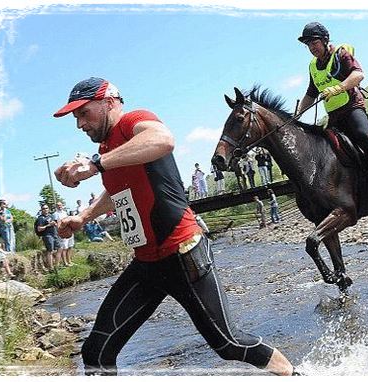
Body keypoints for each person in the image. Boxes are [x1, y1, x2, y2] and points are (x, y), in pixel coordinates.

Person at [52, 77, 296, 376]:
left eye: (83, 113)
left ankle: (293, 374)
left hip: (183, 252)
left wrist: (96, 164)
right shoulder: (107, 148)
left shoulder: (134, 121)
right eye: (75, 117)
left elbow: (162, 140)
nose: (79, 124)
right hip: (146, 263)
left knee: (227, 344)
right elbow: (119, 191)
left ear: (109, 102)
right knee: (96, 351)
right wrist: (84, 217)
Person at [296, 22, 368, 201]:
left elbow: (358, 74)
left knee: (361, 135)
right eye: (308, 44)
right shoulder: (313, 67)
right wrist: (297, 115)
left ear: (325, 40)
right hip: (334, 116)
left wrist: (338, 88)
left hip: (352, 108)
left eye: (314, 42)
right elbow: (310, 94)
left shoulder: (341, 54)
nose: (311, 47)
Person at [35, 204, 60, 269]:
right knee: (50, 251)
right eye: (44, 208)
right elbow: (39, 229)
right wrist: (48, 225)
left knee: (59, 249)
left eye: (46, 208)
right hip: (47, 236)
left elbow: (56, 224)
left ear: (48, 209)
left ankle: (57, 266)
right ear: (41, 210)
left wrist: (55, 224)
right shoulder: (41, 218)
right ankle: (51, 267)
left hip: (54, 234)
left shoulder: (51, 216)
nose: (45, 209)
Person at [53, 201, 74, 266]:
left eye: (60, 205)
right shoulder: (55, 214)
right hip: (62, 233)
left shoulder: (65, 213)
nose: (59, 207)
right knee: (64, 248)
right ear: (56, 207)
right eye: (58, 205)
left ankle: (69, 261)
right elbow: (56, 224)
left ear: (62, 206)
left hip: (69, 231)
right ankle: (65, 263)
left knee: (70, 246)